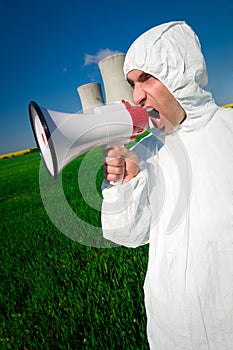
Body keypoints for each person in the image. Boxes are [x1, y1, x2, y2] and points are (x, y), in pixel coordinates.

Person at [101, 21, 233, 349]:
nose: (137, 96)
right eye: (132, 83)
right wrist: (124, 184)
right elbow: (127, 235)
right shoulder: (146, 151)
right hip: (169, 330)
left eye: (146, 78)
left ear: (181, 72)